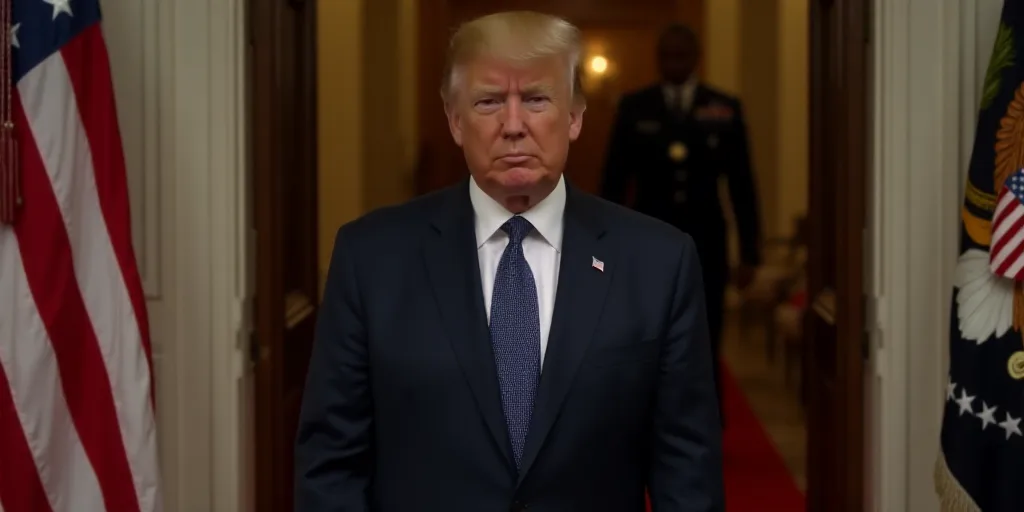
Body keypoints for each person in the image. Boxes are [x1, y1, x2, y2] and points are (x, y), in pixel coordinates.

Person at [294, 11, 723, 511]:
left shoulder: (658, 263)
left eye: (536, 99)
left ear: (574, 116)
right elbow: (331, 466)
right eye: (489, 101)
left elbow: (687, 473)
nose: (513, 126)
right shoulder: (371, 259)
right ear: (455, 120)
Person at [599, 24, 761, 417]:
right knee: (648, 333)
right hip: (647, 244)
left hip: (707, 242)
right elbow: (614, 183)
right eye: (666, 56)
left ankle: (704, 419)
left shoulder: (723, 107)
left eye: (681, 55)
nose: (673, 63)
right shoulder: (635, 107)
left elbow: (742, 185)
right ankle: (649, 417)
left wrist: (750, 253)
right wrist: (603, 247)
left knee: (706, 332)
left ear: (696, 58)